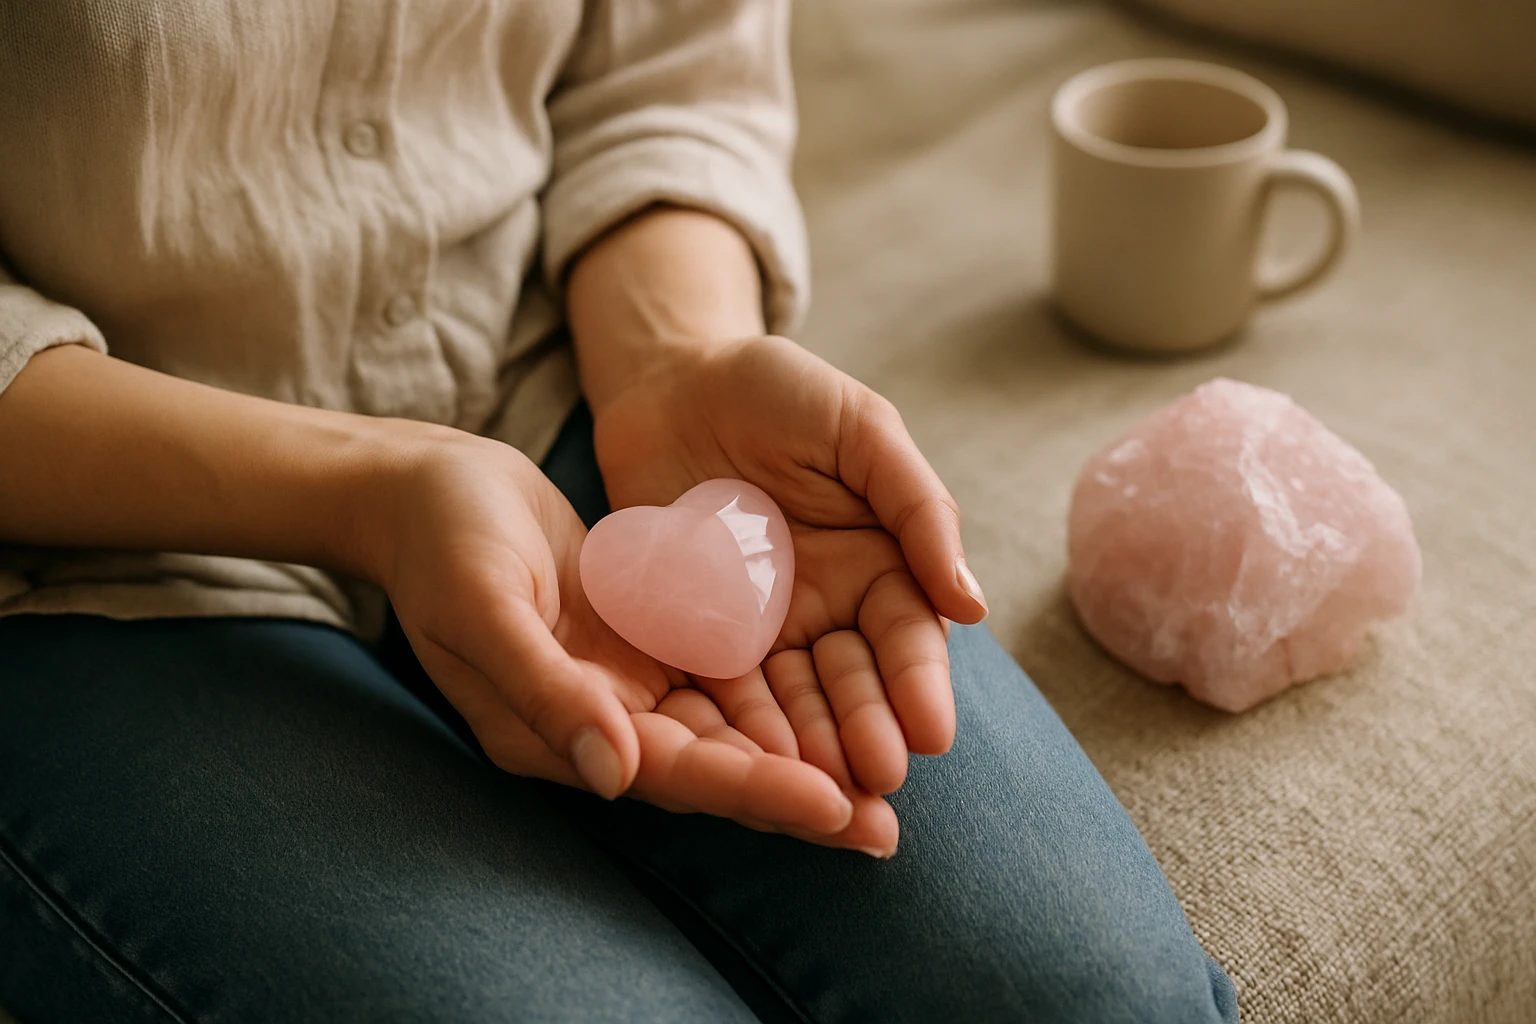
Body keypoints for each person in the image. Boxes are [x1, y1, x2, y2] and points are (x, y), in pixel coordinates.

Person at [0, 3, 1239, 1021]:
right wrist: (367, 487)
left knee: (1105, 1001)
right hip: (82, 536)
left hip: (549, 382)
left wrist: (673, 359)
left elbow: (671, 68)